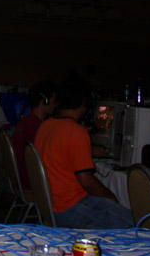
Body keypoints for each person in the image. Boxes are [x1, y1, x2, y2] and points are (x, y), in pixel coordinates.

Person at [34, 82, 134, 229]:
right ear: (83, 103)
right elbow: (87, 182)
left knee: (116, 209)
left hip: (49, 205)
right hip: (68, 208)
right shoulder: (76, 132)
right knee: (135, 223)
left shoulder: (45, 125)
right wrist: (111, 196)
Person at [11, 81, 56, 190]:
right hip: (33, 183)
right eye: (54, 101)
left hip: (21, 179)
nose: (55, 105)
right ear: (45, 101)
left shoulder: (25, 122)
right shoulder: (38, 127)